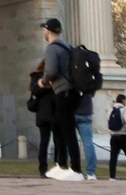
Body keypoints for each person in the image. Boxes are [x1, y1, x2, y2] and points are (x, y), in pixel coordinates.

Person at [40, 18, 83, 181]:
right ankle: (62, 164)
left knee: (68, 129)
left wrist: (42, 82)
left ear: (48, 31)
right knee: (57, 125)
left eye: (44, 29)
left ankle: (76, 169)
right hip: (72, 92)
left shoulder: (52, 49)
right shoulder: (67, 46)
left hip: (63, 92)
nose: (44, 32)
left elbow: (50, 71)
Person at [28, 61, 55, 178]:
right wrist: (45, 85)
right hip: (44, 114)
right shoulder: (37, 76)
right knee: (44, 142)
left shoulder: (58, 76)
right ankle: (43, 169)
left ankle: (59, 167)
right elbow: (35, 92)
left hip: (56, 113)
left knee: (59, 143)